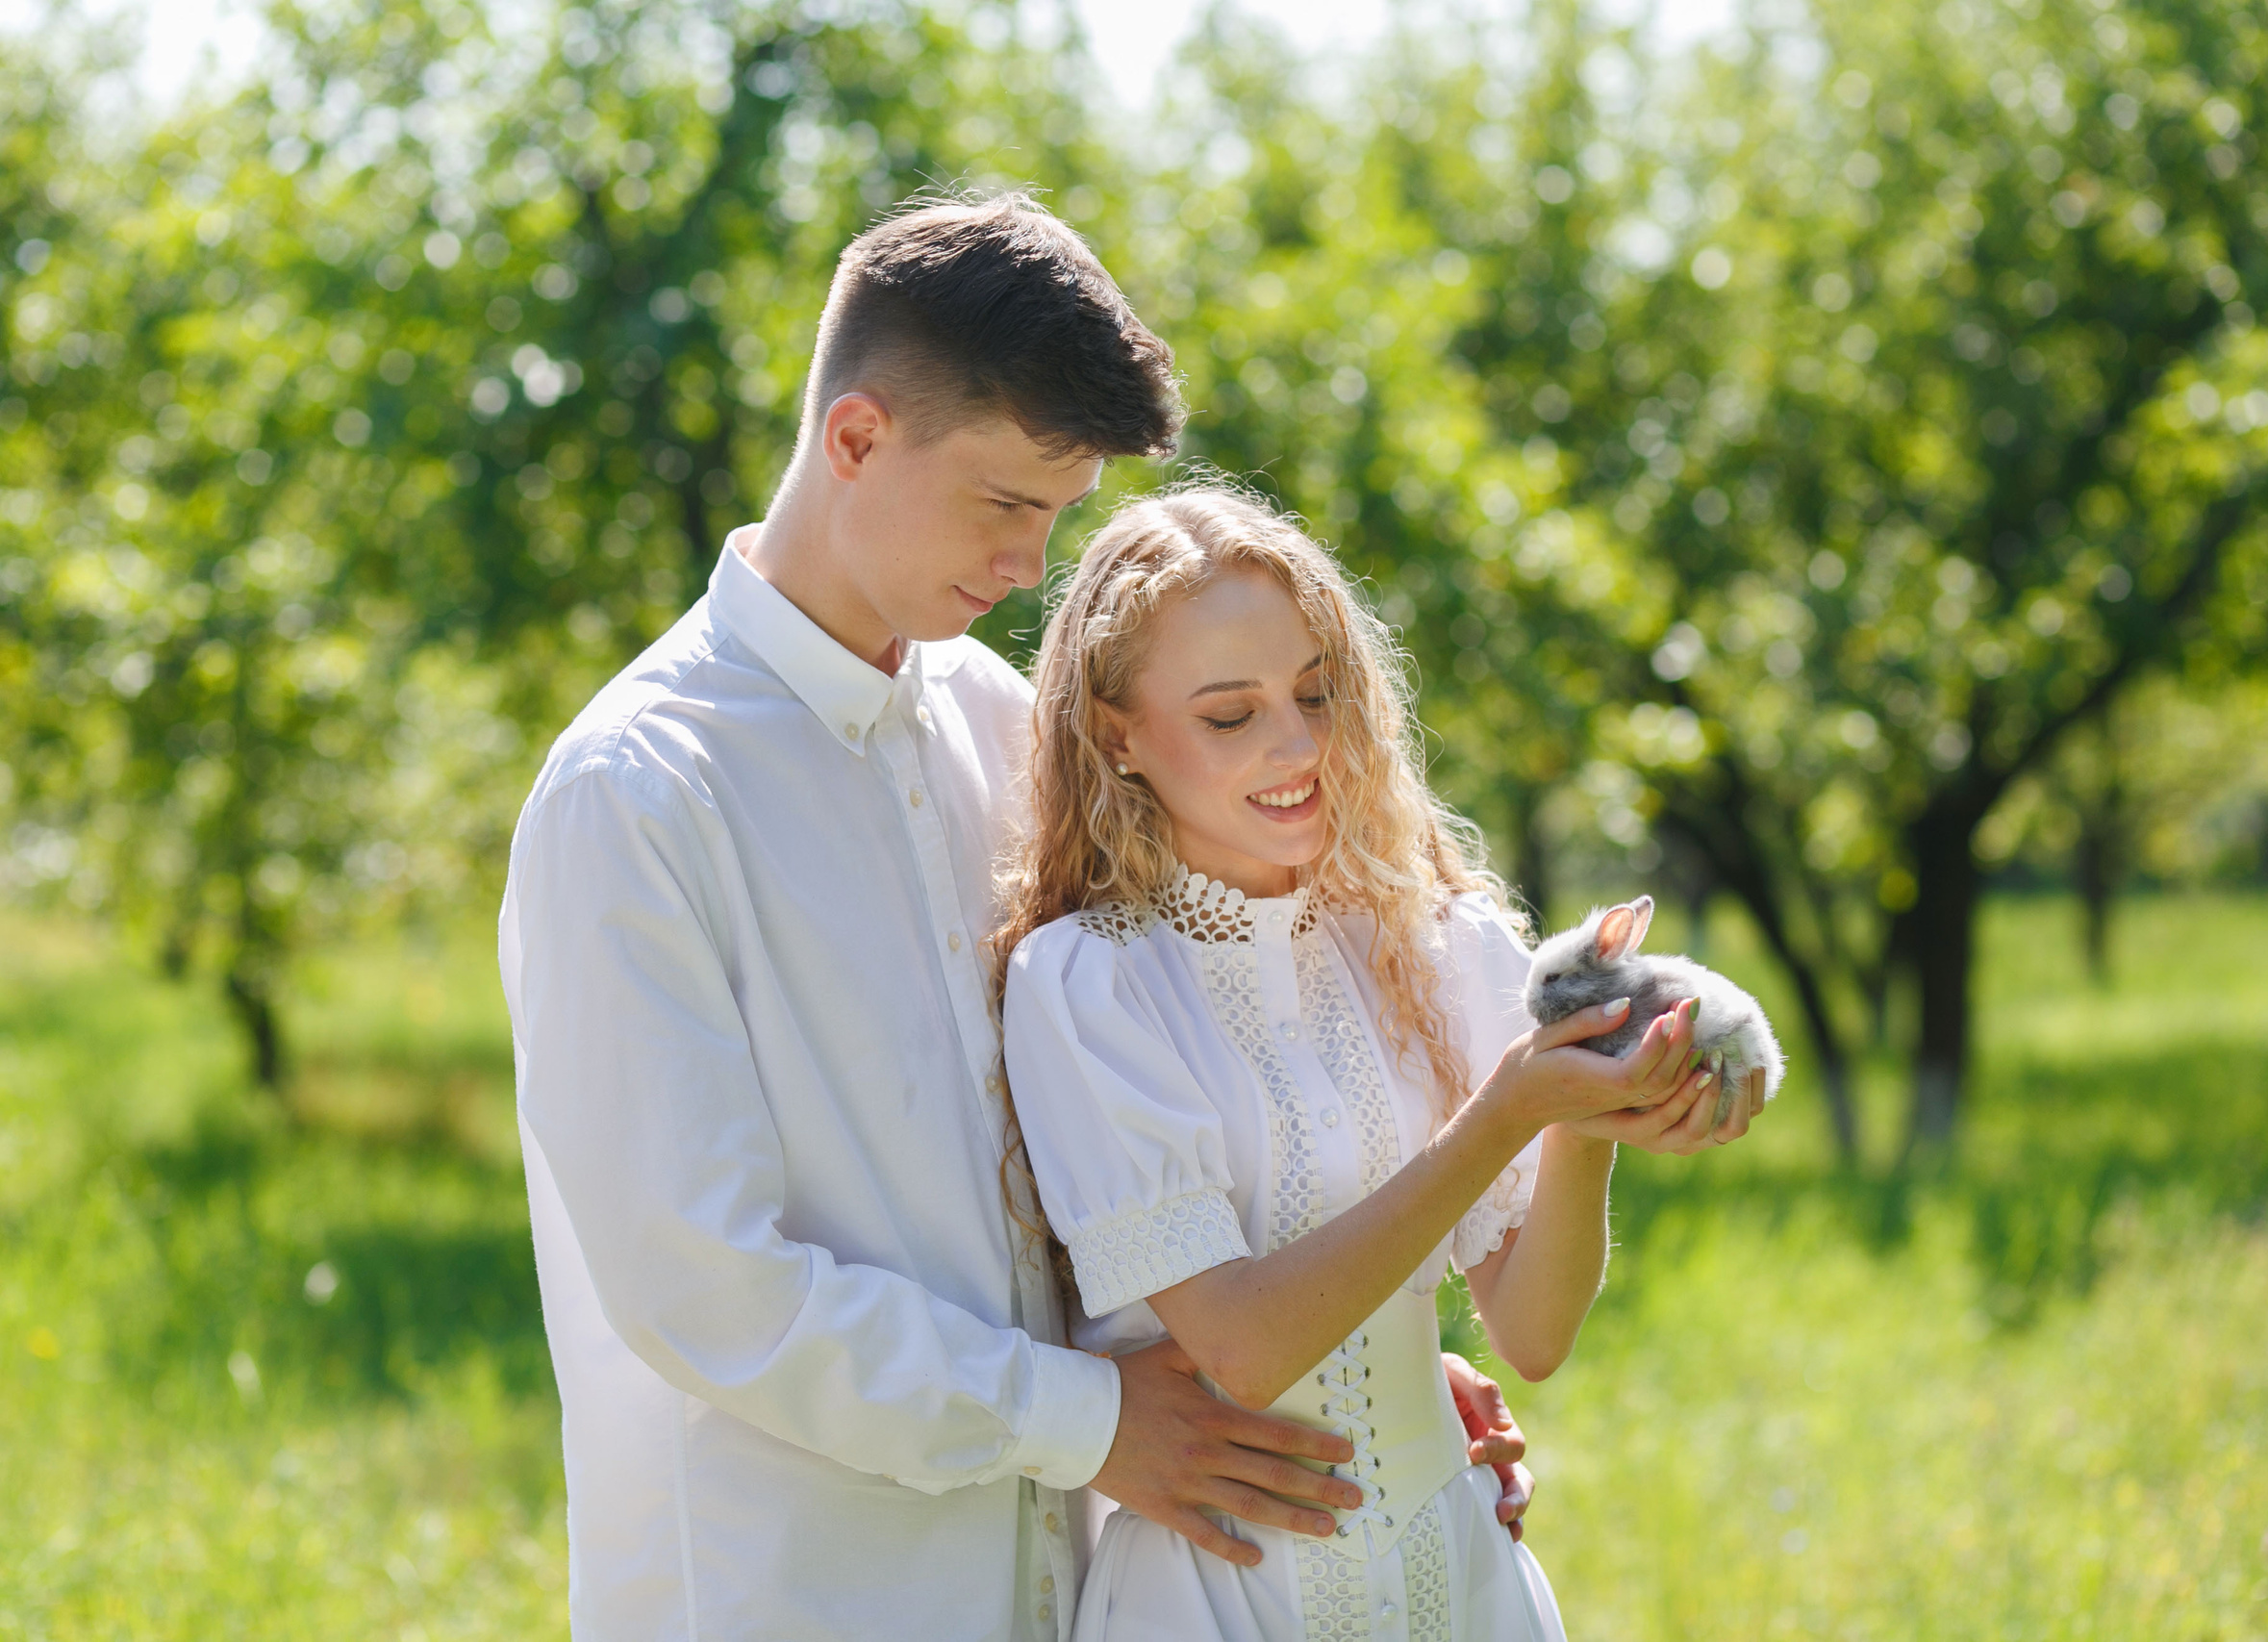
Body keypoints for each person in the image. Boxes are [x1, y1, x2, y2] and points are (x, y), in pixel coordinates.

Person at [498, 192, 1536, 1642]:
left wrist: (1353, 1367)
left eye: (1058, 513)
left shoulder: (1002, 727)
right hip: (797, 1588)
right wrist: (1088, 1415)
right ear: (855, 439)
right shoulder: (638, 791)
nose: (1033, 563)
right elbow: (707, 1283)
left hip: (1072, 1576)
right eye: (1003, 503)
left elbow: (1112, 1139)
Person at [995, 488, 1766, 1640]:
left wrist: (1582, 1121)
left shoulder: (1446, 944)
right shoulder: (1089, 984)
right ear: (1117, 734)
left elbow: (1534, 1337)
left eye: (1315, 691)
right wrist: (1507, 1114)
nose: (1296, 745)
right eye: (1228, 715)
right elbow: (1242, 1351)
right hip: (1217, 1595)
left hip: (1454, 1575)